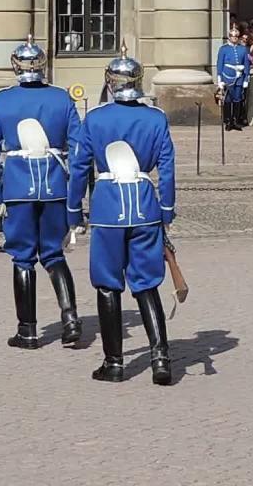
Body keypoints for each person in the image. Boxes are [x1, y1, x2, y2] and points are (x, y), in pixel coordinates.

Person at [67, 44, 178, 384]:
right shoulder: (155, 118)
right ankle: (160, 358)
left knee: (107, 285)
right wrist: (167, 210)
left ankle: (114, 362)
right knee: (146, 284)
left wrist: (74, 211)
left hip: (108, 208)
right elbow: (168, 169)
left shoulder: (96, 118)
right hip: (145, 207)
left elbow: (79, 167)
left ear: (110, 82)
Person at [0, 37, 83, 350]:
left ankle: (27, 331)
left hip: (17, 186)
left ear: (16, 66)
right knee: (53, 253)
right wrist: (76, 197)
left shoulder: (2, 100)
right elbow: (79, 150)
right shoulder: (62, 98)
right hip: (55, 185)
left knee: (23, 257)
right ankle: (70, 319)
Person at [216, 28, 250, 130]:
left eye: (236, 37)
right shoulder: (224, 49)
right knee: (228, 99)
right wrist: (220, 79)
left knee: (237, 98)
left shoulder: (243, 49)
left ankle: (235, 120)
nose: (234, 38)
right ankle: (227, 120)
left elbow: (246, 64)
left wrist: (246, 79)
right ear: (229, 37)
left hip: (239, 77)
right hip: (227, 76)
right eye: (232, 36)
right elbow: (220, 64)